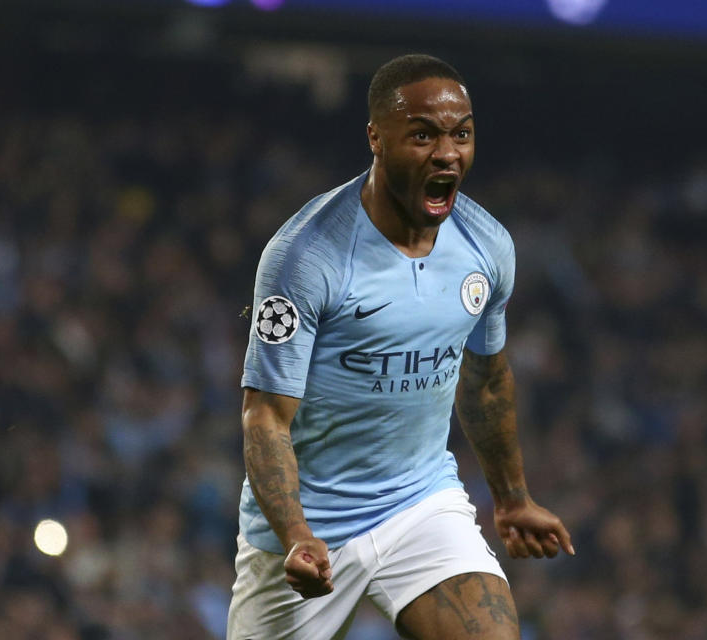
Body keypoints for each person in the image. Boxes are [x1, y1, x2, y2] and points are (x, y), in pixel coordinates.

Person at [228, 53, 574, 640]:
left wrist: (511, 498)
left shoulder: (486, 248)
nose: (446, 153)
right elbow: (264, 415)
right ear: (375, 139)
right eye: (422, 134)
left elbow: (485, 378)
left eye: (460, 134)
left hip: (418, 504)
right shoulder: (305, 257)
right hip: (310, 530)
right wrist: (296, 535)